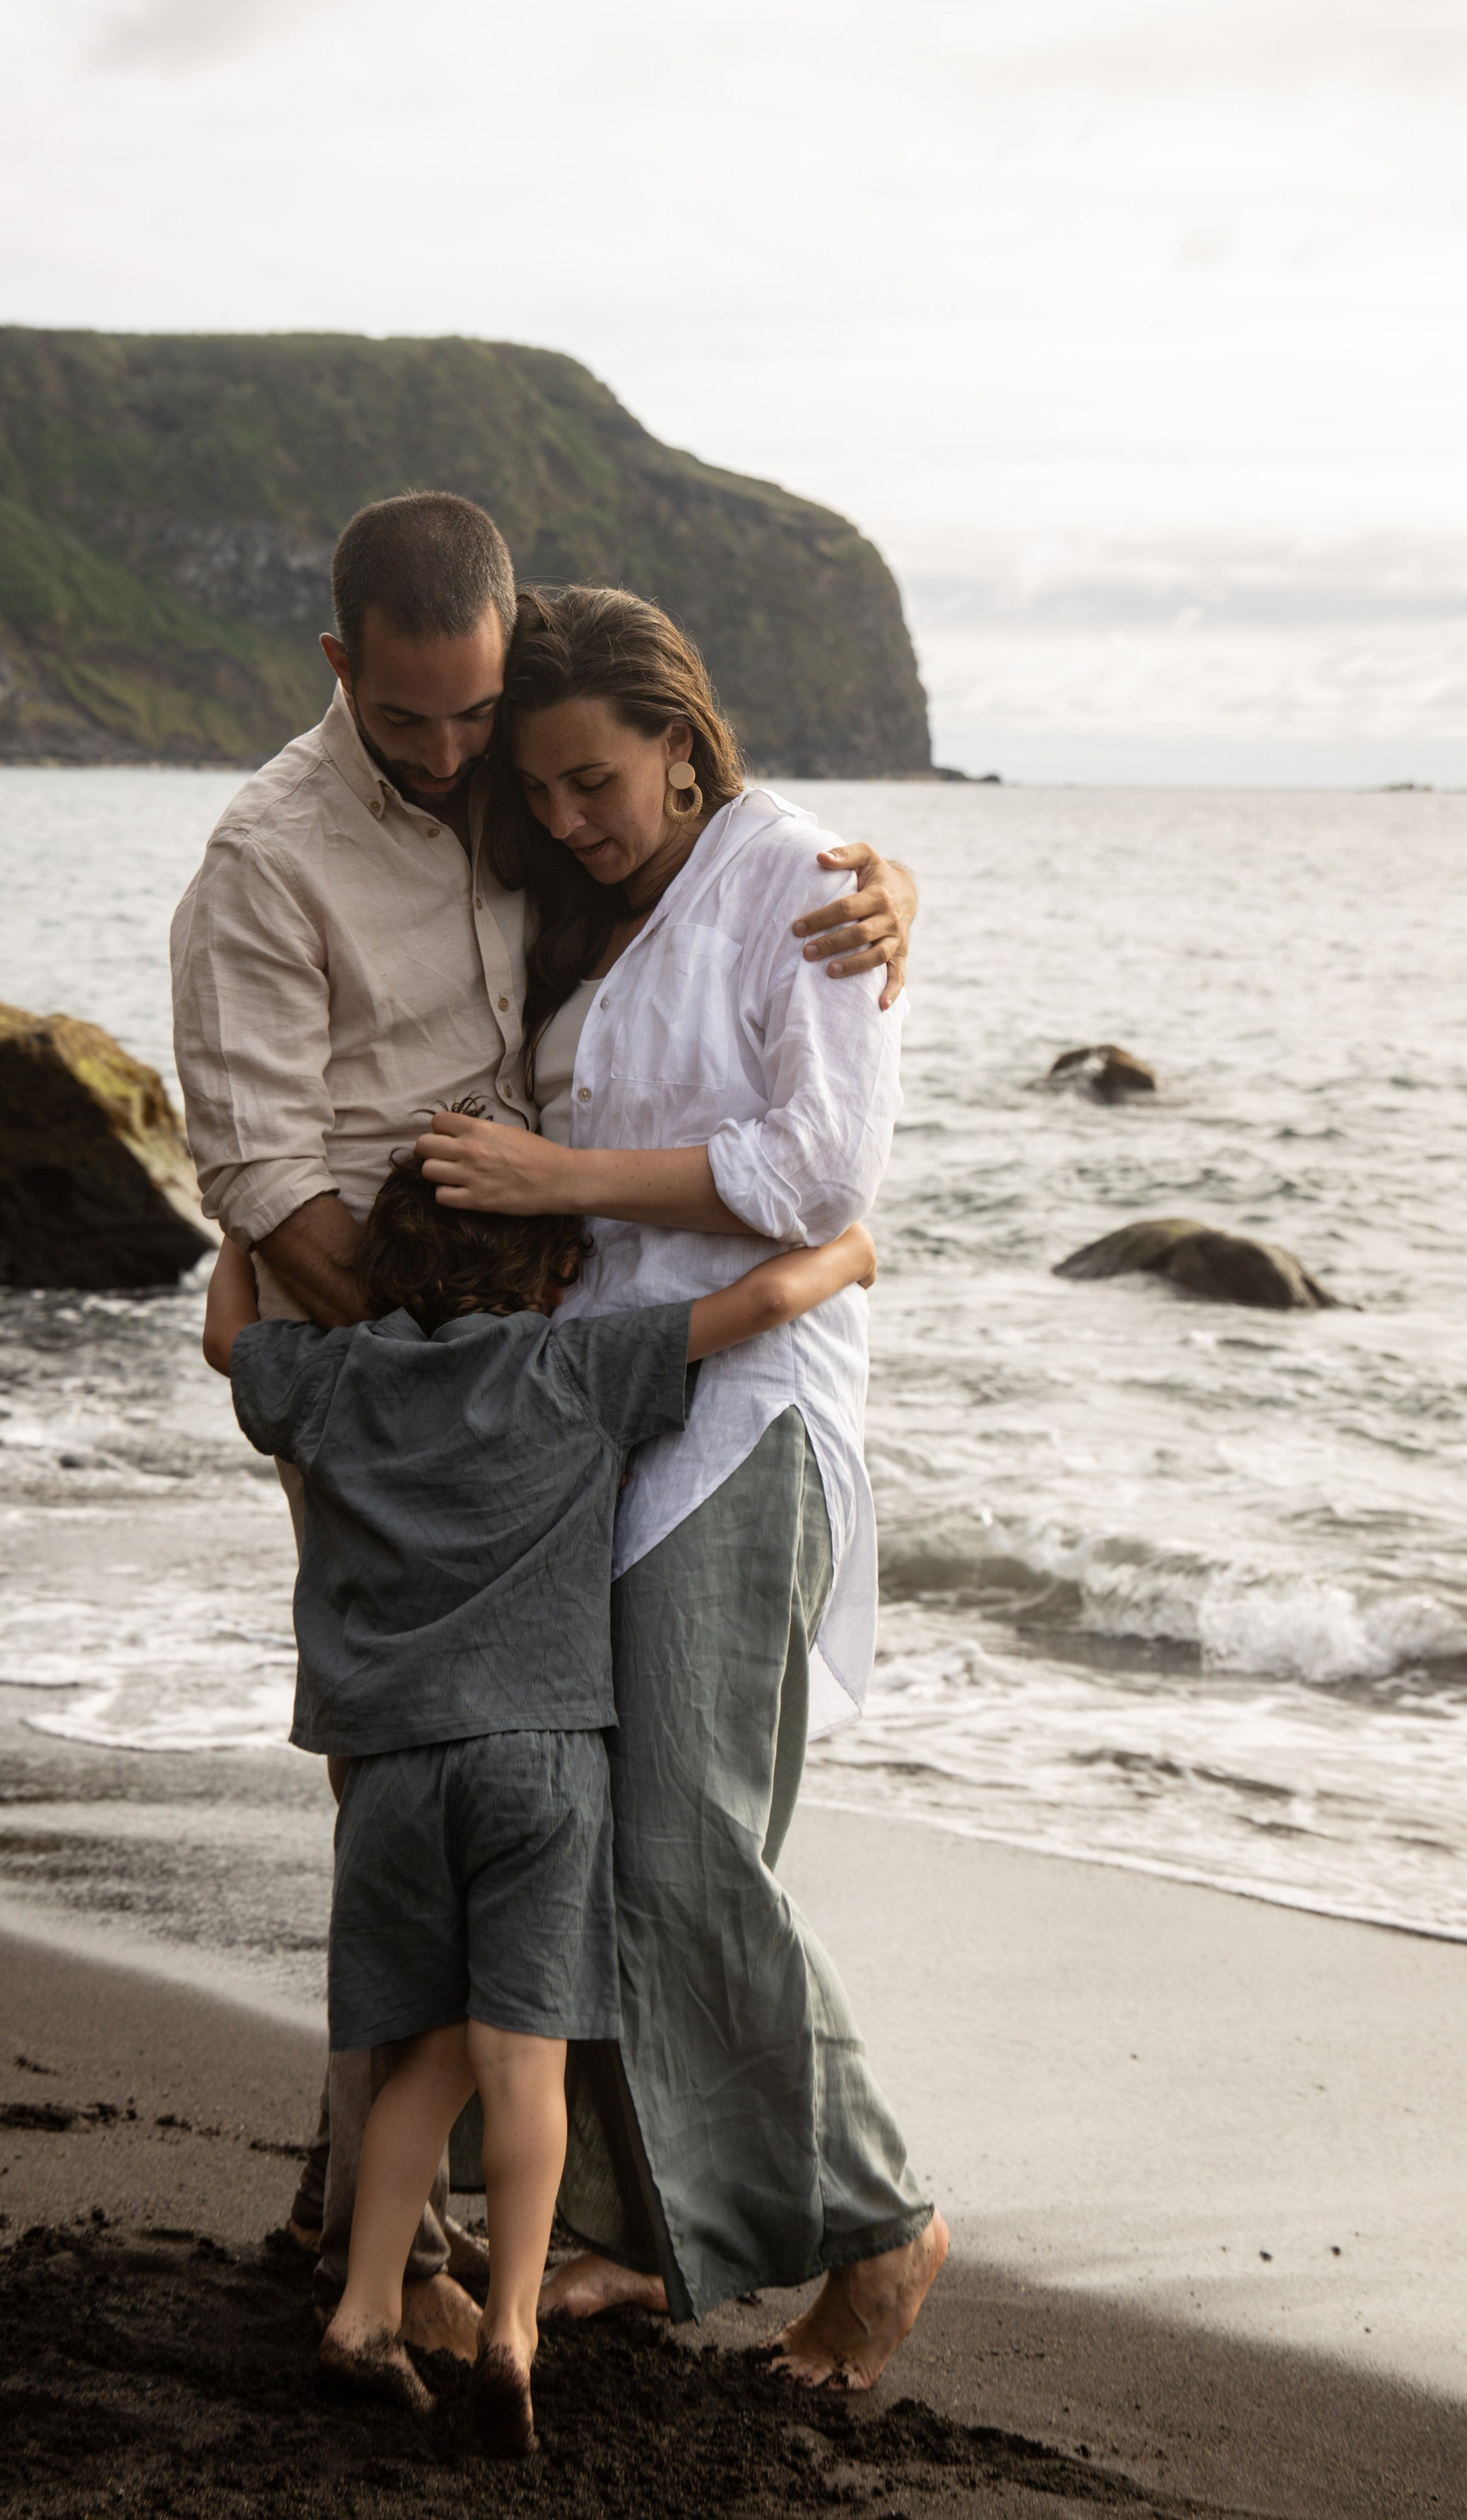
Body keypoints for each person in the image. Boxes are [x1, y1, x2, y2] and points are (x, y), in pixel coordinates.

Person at [168, 489, 919, 2356]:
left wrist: (885, 887)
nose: (460, 765)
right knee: (460, 1815)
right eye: (418, 725)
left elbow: (812, 1141)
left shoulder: (655, 848)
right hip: (476, 1405)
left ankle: (821, 2225)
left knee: (619, 1834)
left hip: (645, 1407)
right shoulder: (289, 859)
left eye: (487, 729)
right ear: (340, 668)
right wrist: (444, 1387)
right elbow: (262, 1181)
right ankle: (430, 2231)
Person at [410, 585, 948, 2389]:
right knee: (599, 1835)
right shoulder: (602, 909)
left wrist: (559, 1185)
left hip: (743, 1413)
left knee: (682, 1843)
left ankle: (879, 2228)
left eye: (595, 780)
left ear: (682, 745)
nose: (565, 817)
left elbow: (821, 1173)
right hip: (603, 1418)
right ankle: (652, 2232)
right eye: (537, 789)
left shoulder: (799, 878)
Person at [201, 1133, 879, 2454]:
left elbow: (229, 1339)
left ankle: (364, 2313)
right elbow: (758, 1302)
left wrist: (239, 1223)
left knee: (421, 2046)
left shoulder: (336, 1378)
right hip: (539, 1767)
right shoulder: (575, 1368)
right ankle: (510, 2331)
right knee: (522, 2061)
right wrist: (850, 1252)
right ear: (561, 1275)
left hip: (391, 1774)